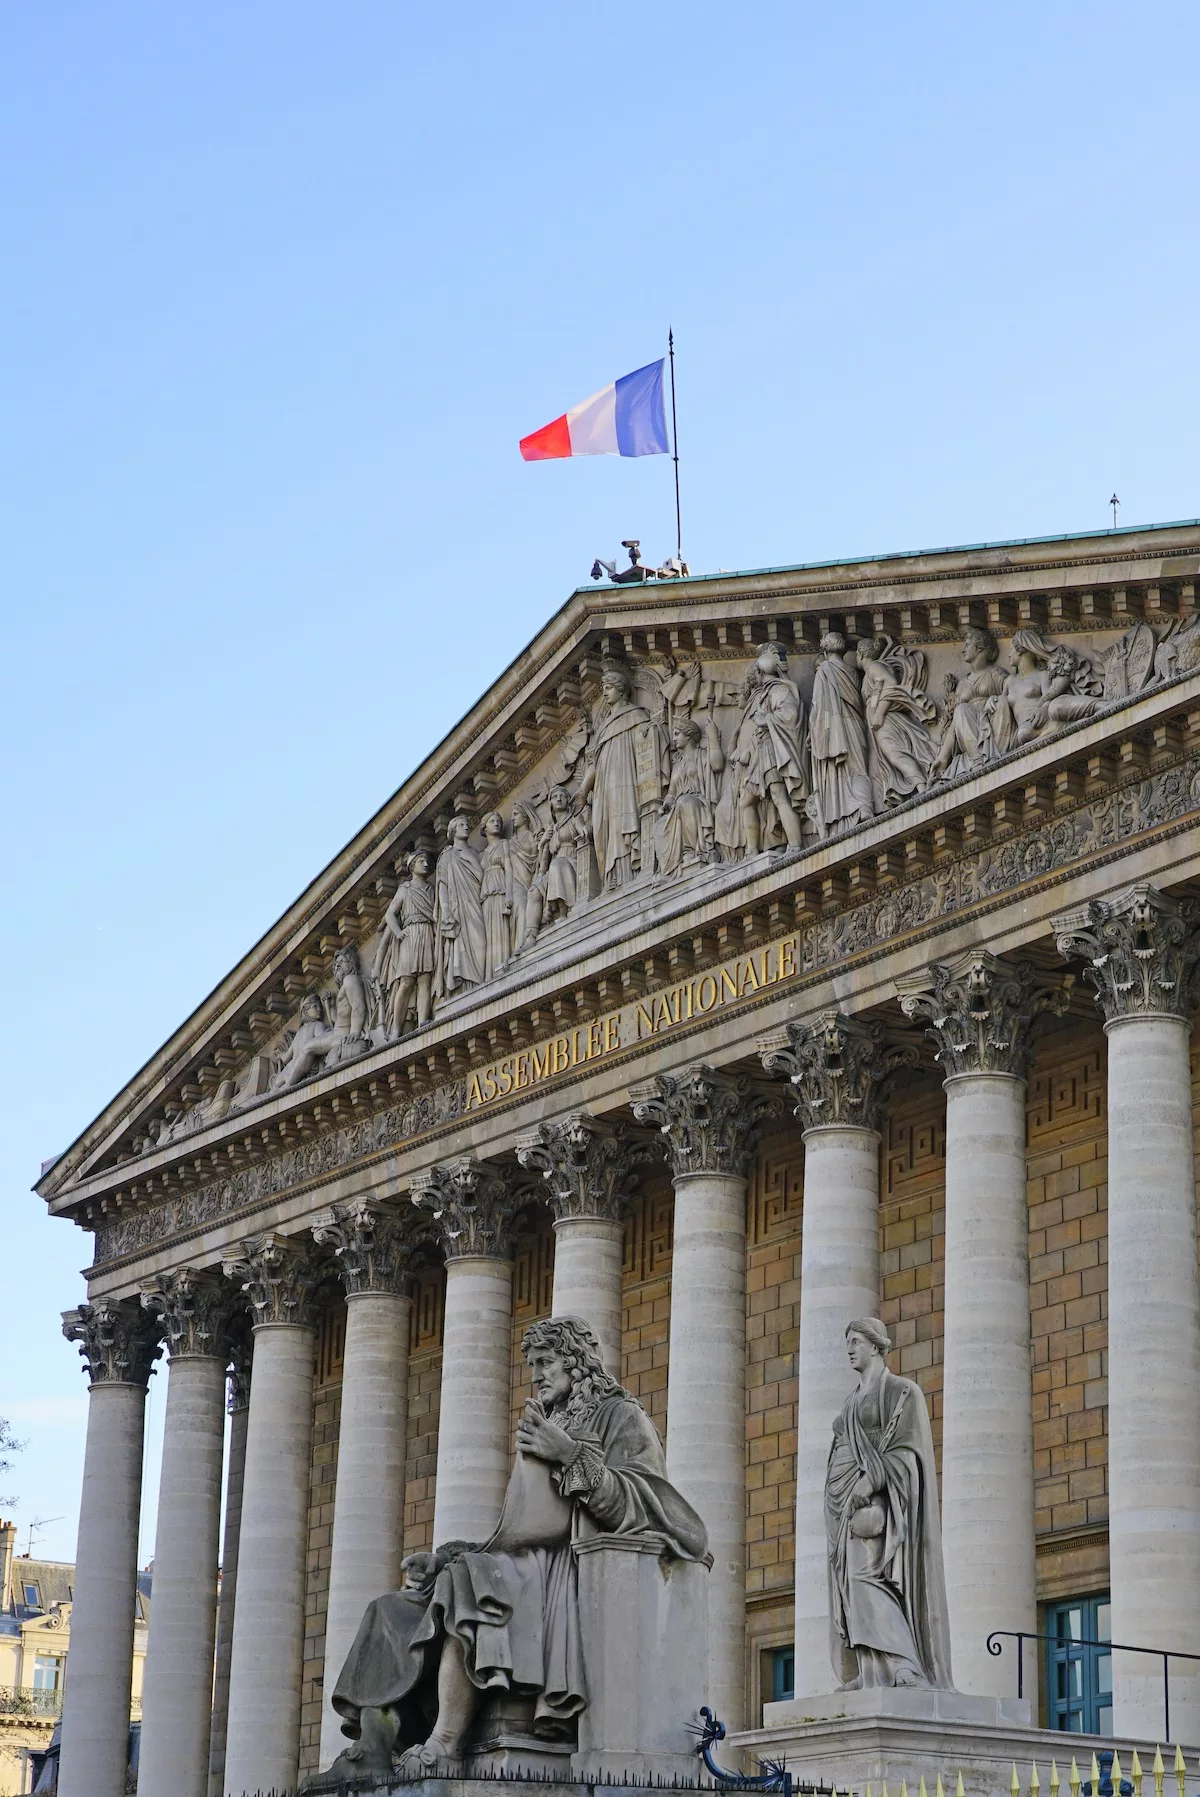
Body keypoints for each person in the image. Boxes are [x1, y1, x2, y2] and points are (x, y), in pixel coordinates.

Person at [326, 1317, 708, 1781]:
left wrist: (568, 1454)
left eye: (546, 1363)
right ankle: (376, 1742)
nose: (538, 1375)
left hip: (571, 1565)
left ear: (576, 1362)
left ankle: (444, 1742)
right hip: (523, 1560)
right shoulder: (549, 1421)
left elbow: (648, 1506)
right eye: (533, 1366)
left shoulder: (620, 1416)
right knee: (390, 1608)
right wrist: (444, 1555)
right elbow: (515, 1528)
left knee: (467, 1581)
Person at [825, 1319, 953, 1691]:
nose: (849, 1349)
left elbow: (909, 1451)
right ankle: (870, 1670)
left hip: (878, 1497)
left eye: (855, 1342)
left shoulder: (901, 1392)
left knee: (871, 1574)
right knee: (851, 1580)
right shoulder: (851, 1401)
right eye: (848, 1343)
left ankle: (903, 1663)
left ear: (876, 1346)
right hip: (842, 1498)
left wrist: (875, 1479)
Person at [573, 664, 665, 889]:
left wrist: (648, 731)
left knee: (624, 822)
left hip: (626, 781)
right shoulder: (603, 727)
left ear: (621, 690)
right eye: (603, 688)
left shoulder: (637, 716)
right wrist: (584, 790)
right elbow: (595, 764)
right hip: (604, 787)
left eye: (608, 688)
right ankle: (610, 876)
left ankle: (626, 874)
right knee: (607, 826)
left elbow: (649, 744)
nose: (604, 693)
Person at [715, 643, 807, 857]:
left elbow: (790, 715)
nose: (749, 677)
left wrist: (767, 719)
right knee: (747, 801)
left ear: (760, 671)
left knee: (778, 795)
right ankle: (751, 851)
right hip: (755, 756)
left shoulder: (779, 689)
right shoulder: (759, 696)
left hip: (769, 752)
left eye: (753, 671)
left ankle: (795, 845)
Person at [270, 948, 371, 1090]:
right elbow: (338, 1019)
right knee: (309, 1046)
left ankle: (289, 1085)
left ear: (351, 962)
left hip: (342, 1035)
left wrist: (354, 1033)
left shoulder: (350, 979)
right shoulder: (345, 985)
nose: (337, 966)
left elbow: (358, 1007)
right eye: (336, 964)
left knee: (308, 1047)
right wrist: (327, 1005)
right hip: (338, 1032)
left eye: (341, 962)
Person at [855, 637, 937, 808]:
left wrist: (878, 712)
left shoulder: (874, 667)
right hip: (877, 721)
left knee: (894, 752)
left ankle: (922, 788)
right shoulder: (870, 671)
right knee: (886, 759)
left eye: (856, 653)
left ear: (861, 654)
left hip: (884, 719)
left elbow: (891, 682)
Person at [807, 634, 874, 837]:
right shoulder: (853, 672)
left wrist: (813, 732)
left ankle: (842, 817)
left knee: (843, 773)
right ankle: (865, 807)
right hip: (857, 728)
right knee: (859, 770)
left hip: (835, 730)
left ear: (825, 651)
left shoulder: (824, 671)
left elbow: (818, 706)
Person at [989, 628, 1100, 751]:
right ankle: (1067, 728)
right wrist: (992, 700)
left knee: (1055, 707)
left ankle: (1098, 707)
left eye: (1012, 649)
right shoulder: (1009, 681)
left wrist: (1043, 708)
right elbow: (1002, 706)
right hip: (1024, 730)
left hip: (1042, 720)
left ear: (1021, 650)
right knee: (1024, 732)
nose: (1009, 655)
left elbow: (1048, 696)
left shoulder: (1043, 675)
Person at [927, 625, 1006, 784]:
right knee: (961, 710)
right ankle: (976, 760)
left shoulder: (995, 674)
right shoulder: (962, 684)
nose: (963, 650)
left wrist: (997, 698)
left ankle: (979, 761)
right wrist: (943, 756)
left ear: (979, 647)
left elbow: (1012, 694)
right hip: (968, 734)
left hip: (992, 728)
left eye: (967, 644)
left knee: (962, 709)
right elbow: (955, 723)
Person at [373, 851, 436, 1037]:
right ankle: (396, 1029)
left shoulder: (430, 888)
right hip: (410, 934)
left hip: (426, 932)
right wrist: (399, 932)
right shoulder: (405, 888)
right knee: (406, 982)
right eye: (421, 861)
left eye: (426, 861)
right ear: (412, 866)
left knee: (425, 979)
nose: (425, 864)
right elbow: (390, 914)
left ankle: (424, 1020)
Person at [656, 708, 724, 874]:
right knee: (658, 825)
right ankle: (669, 869)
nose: (674, 738)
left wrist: (713, 736)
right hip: (679, 808)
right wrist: (666, 804)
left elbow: (717, 765)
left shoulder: (701, 755)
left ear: (688, 735)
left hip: (699, 803)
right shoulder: (677, 766)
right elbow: (671, 793)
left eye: (677, 733)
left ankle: (691, 852)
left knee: (685, 802)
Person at [434, 817, 487, 998]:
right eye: (461, 825)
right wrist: (446, 910)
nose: (466, 827)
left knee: (480, 941)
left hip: (475, 902)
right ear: (453, 831)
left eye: (467, 824)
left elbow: (483, 878)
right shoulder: (447, 856)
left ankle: (480, 982)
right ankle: (465, 988)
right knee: (462, 944)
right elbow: (442, 885)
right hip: (457, 908)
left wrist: (471, 861)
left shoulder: (474, 852)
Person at [479, 812, 513, 982]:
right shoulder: (481, 854)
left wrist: (509, 895)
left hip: (500, 890)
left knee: (500, 929)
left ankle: (502, 964)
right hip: (486, 896)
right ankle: (490, 974)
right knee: (489, 934)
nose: (497, 824)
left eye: (499, 821)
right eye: (492, 821)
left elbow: (509, 869)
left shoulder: (504, 844)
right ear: (484, 827)